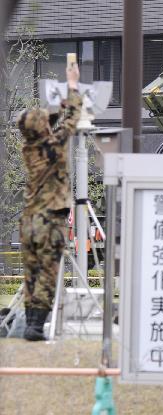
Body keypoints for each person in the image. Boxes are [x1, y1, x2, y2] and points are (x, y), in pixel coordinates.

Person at [17, 58, 82, 341]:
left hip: (29, 220)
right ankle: (36, 326)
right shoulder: (54, 149)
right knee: (47, 271)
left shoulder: (29, 148)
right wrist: (72, 85)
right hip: (49, 219)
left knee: (31, 272)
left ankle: (30, 320)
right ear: (43, 128)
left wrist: (51, 115)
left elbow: (52, 124)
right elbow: (71, 119)